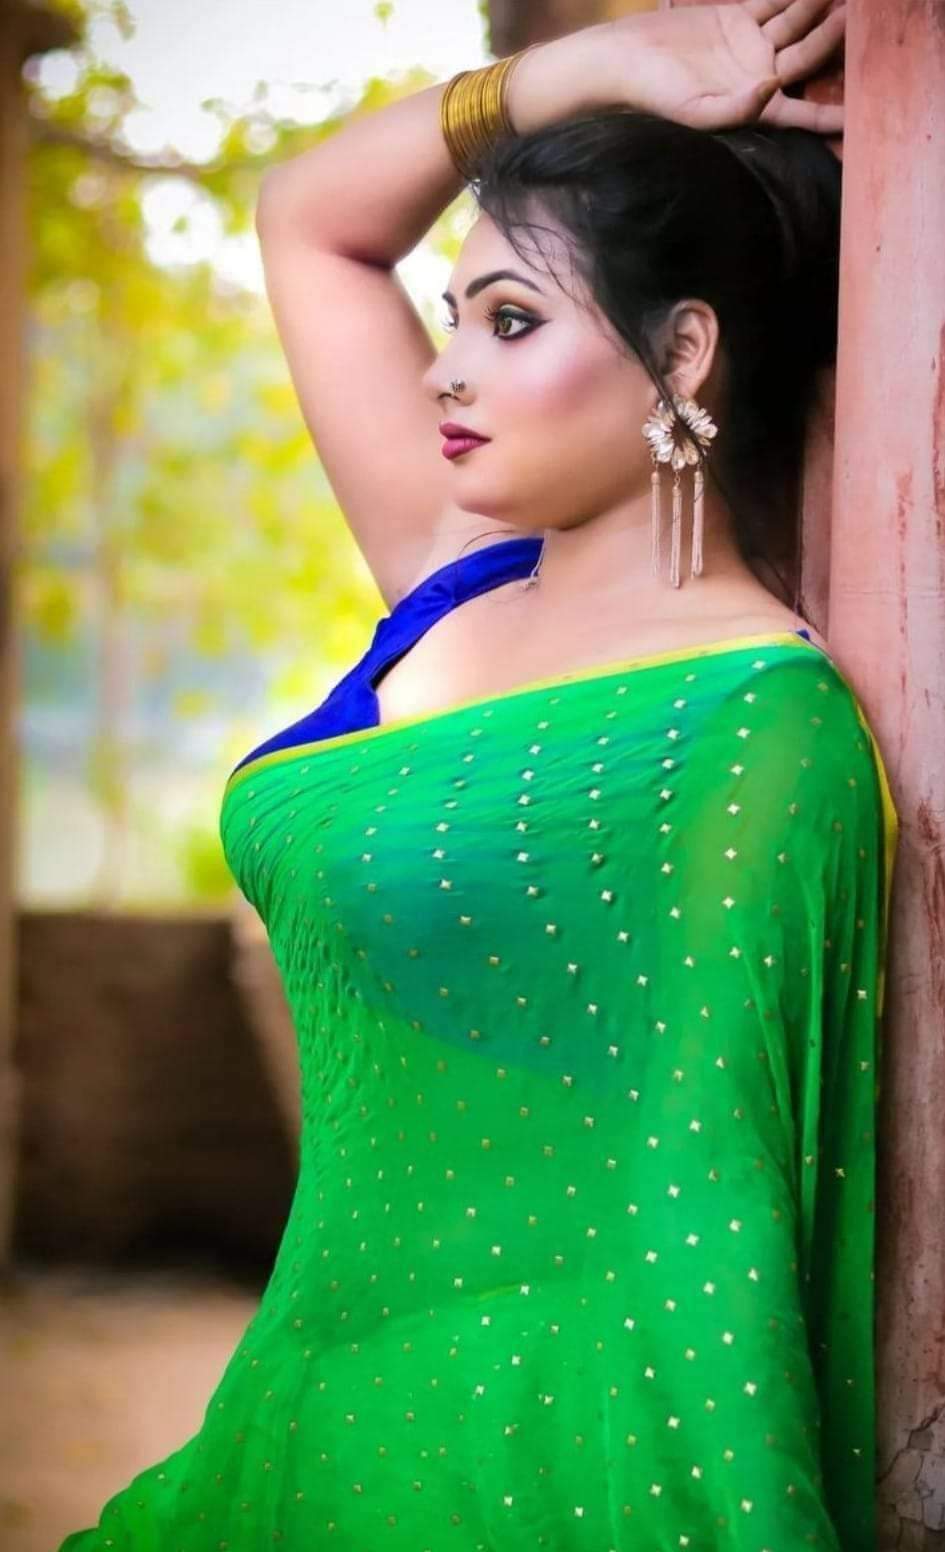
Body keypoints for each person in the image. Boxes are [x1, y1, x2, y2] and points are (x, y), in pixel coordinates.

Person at [60, 2, 900, 1549]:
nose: (445, 372)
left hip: (521, 1462)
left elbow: (701, 1215)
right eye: (452, 319)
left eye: (508, 322)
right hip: (292, 1421)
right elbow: (308, 215)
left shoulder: (750, 732)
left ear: (681, 352)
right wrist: (585, 75)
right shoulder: (454, 574)